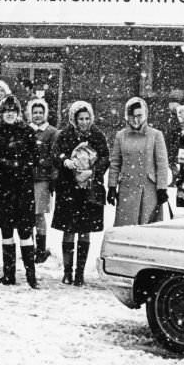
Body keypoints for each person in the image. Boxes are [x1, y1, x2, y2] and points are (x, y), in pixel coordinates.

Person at [0, 95, 38, 287]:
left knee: (24, 231)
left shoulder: (27, 132)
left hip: (22, 188)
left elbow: (34, 158)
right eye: (6, 111)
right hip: (1, 187)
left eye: (13, 111)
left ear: (18, 113)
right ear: (1, 113)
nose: (10, 115)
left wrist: (19, 165)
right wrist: (0, 165)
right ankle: (9, 274)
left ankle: (31, 275)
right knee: (6, 230)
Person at [52, 101, 109, 286]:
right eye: (80, 119)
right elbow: (55, 154)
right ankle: (67, 271)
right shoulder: (65, 135)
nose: (84, 122)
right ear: (74, 119)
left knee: (85, 231)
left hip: (89, 189)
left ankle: (80, 273)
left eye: (87, 118)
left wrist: (93, 171)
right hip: (68, 187)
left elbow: (105, 157)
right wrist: (65, 162)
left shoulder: (97, 135)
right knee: (68, 229)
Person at [107, 97, 172, 226]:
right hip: (127, 188)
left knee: (146, 228)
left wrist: (162, 188)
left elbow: (162, 165)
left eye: (139, 115)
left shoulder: (155, 135)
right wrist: (112, 186)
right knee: (126, 228)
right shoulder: (121, 136)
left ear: (146, 115)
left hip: (148, 190)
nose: (136, 120)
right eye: (132, 116)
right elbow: (115, 163)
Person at [25, 97, 59, 262]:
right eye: (35, 112)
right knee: (27, 213)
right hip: (26, 178)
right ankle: (28, 246)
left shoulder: (52, 132)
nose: (37, 115)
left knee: (39, 214)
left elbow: (54, 156)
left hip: (42, 178)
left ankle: (41, 248)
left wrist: (51, 174)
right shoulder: (25, 130)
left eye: (40, 112)